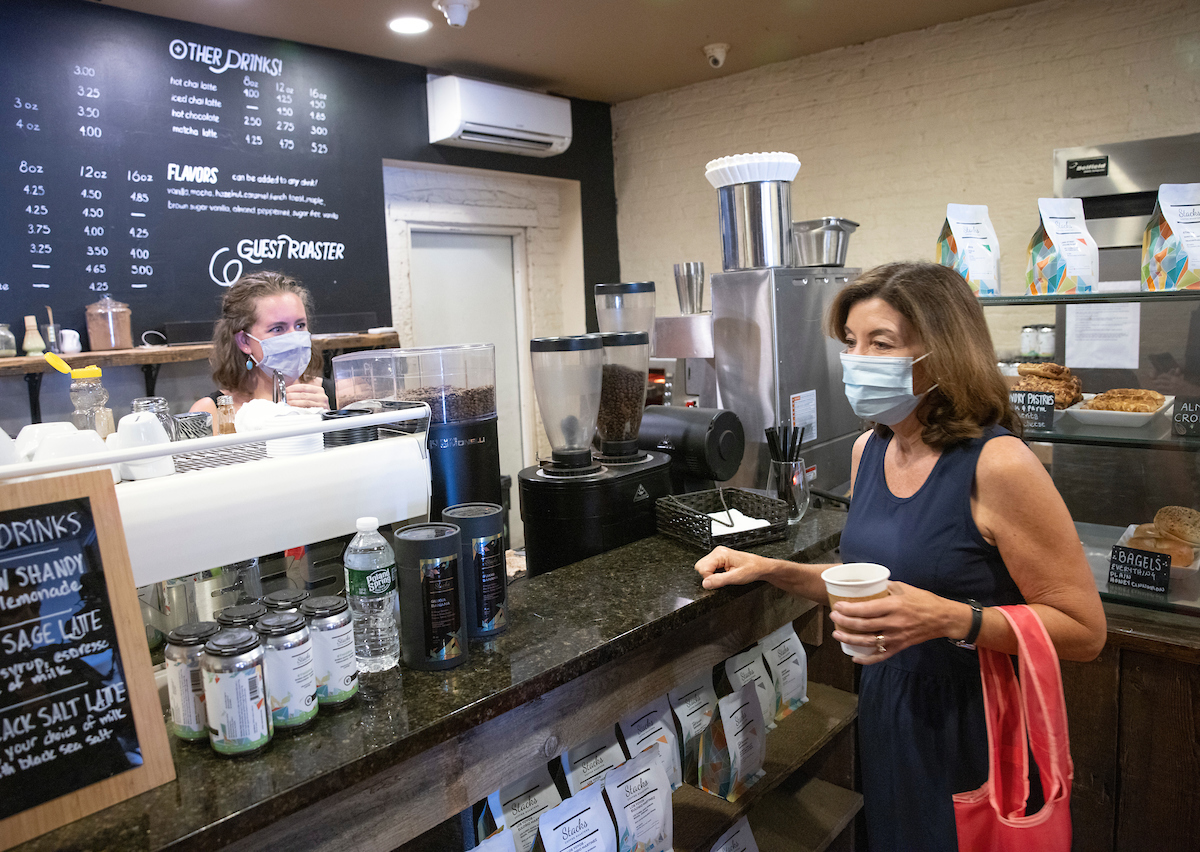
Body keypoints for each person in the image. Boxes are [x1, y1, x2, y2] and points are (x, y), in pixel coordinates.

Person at [695, 262, 1106, 851]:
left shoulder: (999, 464)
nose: (856, 359)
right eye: (850, 342)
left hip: (973, 721)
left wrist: (952, 619)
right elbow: (871, 583)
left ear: (942, 355)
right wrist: (774, 570)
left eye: (881, 343)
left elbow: (1084, 630)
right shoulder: (870, 449)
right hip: (889, 704)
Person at [190, 270, 329, 417]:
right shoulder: (210, 412)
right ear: (244, 341)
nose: (294, 338)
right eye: (277, 329)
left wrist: (330, 417)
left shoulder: (333, 395)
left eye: (300, 325)